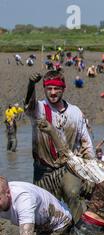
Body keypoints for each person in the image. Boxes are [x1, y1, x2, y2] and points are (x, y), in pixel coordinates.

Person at [23, 71, 94, 223]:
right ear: (44, 89)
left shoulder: (75, 112)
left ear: (63, 89)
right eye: (49, 89)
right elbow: (28, 103)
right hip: (43, 170)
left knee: (73, 194)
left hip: (68, 167)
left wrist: (90, 175)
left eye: (57, 88)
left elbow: (87, 144)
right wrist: (31, 84)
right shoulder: (38, 109)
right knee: (46, 210)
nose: (53, 92)